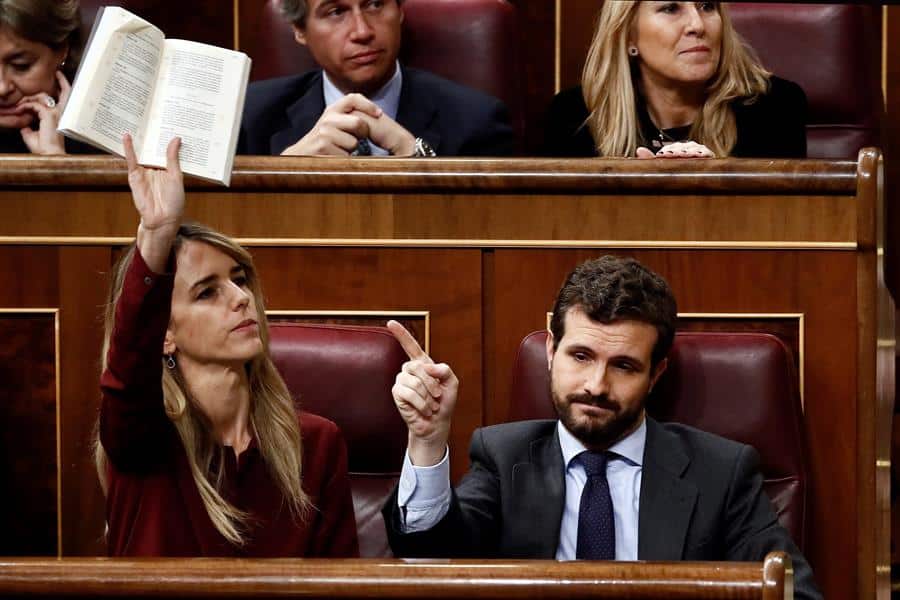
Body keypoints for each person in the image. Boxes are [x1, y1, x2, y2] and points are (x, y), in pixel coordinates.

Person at [382, 255, 821, 600]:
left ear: (656, 375)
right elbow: (429, 561)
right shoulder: (505, 457)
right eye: (581, 356)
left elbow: (789, 590)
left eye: (624, 366)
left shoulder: (720, 472)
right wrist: (426, 438)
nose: (596, 385)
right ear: (552, 350)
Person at [95, 134, 358, 557]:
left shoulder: (317, 442)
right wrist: (158, 236)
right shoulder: (143, 438)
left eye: (238, 279)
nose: (240, 297)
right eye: (206, 292)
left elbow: (344, 585)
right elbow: (127, 373)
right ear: (164, 334)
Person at [237, 0, 514, 157]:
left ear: (400, 11)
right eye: (336, 12)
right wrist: (285, 177)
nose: (362, 31)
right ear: (299, 30)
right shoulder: (249, 118)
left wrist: (418, 161)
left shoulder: (478, 122)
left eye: (375, 4)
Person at [542, 1, 807, 159]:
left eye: (707, 6)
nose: (698, 25)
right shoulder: (573, 115)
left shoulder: (774, 106)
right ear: (628, 36)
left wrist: (714, 184)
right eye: (670, 8)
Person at [0, 0, 88, 154]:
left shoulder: (103, 134)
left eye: (21, 65)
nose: (2, 88)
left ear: (62, 50)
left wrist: (54, 156)